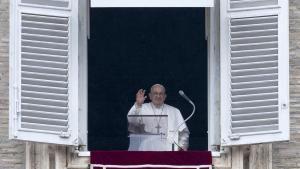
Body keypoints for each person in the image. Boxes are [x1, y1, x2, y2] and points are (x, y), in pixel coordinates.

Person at [127, 84, 189, 151]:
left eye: (161, 94)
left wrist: (181, 146)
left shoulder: (174, 111)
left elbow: (183, 132)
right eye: (155, 93)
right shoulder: (141, 108)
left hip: (168, 150)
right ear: (150, 96)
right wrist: (138, 104)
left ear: (165, 96)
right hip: (146, 148)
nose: (158, 96)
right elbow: (131, 120)